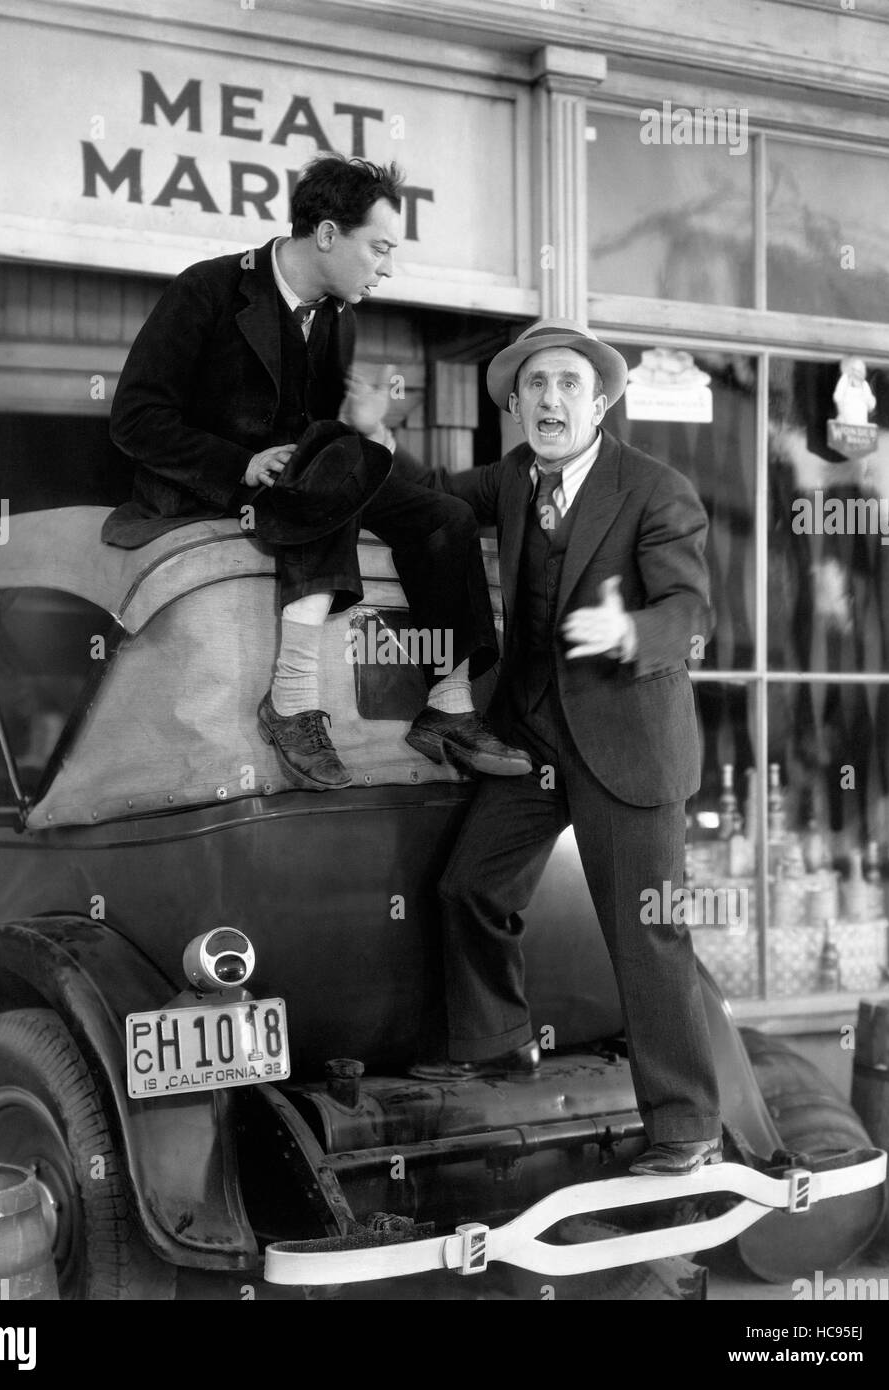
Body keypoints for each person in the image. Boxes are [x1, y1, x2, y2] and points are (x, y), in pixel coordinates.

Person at [103, 154, 529, 791]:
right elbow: (134, 419)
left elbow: (321, 438)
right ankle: (294, 700)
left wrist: (360, 425)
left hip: (299, 487)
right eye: (379, 247)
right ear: (327, 235)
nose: (388, 266)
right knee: (328, 478)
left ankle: (449, 705)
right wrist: (240, 463)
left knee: (447, 515)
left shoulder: (338, 318)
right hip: (209, 489)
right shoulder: (206, 290)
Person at [410, 319, 723, 1176]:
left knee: (646, 935)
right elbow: (432, 495)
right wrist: (354, 448)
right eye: (535, 386)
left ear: (600, 400)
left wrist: (631, 631)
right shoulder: (513, 479)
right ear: (516, 404)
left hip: (629, 742)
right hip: (534, 732)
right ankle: (503, 1042)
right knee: (469, 884)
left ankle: (686, 1128)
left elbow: (691, 612)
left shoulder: (655, 489)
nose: (551, 400)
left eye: (568, 385)